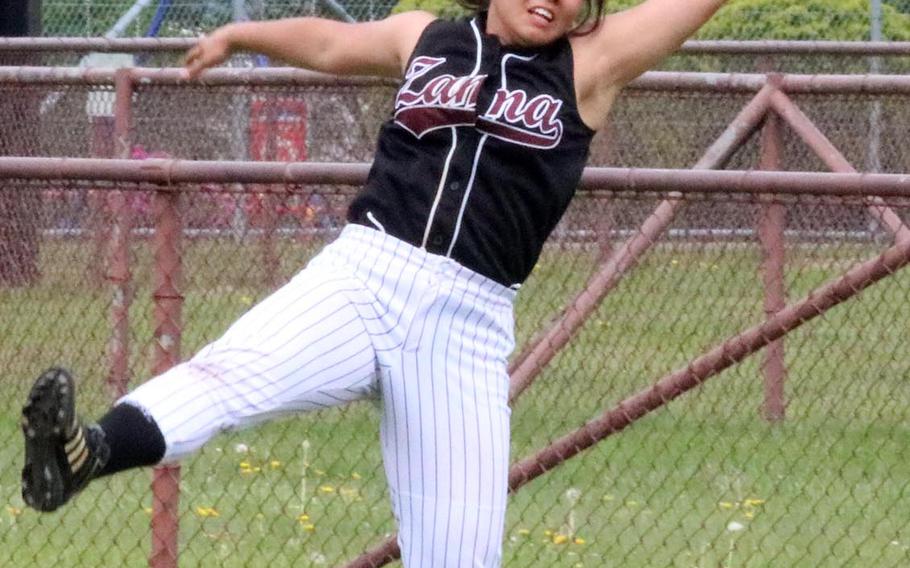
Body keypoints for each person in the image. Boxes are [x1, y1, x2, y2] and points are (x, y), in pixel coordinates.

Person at [21, 0, 728, 565]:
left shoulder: (590, 66)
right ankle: (86, 452)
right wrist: (239, 32)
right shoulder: (426, 37)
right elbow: (330, 44)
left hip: (468, 323)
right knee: (230, 373)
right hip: (365, 275)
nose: (554, 1)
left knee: (458, 555)